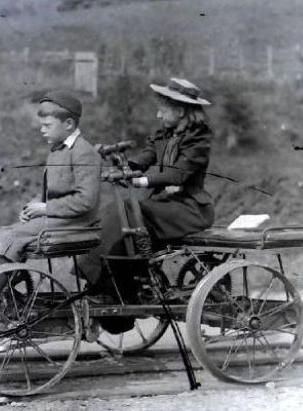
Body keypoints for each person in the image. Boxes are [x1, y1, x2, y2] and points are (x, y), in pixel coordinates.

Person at [0, 90, 101, 324]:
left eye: (47, 125)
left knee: (12, 237)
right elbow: (50, 192)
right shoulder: (57, 151)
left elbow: (86, 201)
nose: (42, 129)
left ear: (68, 123)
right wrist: (34, 204)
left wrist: (45, 208)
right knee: (1, 234)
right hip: (58, 218)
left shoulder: (85, 153)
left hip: (77, 223)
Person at [77, 77, 214, 305]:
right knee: (114, 213)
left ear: (180, 111)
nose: (158, 116)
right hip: (164, 204)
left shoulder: (199, 140)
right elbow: (144, 158)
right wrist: (121, 166)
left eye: (162, 111)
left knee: (131, 209)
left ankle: (114, 284)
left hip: (190, 209)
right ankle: (105, 280)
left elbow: (177, 174)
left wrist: (139, 181)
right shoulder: (163, 134)